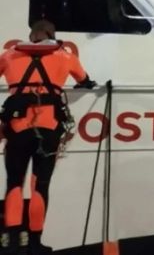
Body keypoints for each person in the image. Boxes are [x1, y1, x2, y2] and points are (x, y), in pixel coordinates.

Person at [0, 20, 96, 254]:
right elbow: (84, 80)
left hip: (17, 128)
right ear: (52, 35)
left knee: (14, 183)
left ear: (31, 36)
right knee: (40, 186)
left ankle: (12, 241)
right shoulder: (65, 56)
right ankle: (35, 242)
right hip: (49, 129)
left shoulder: (9, 55)